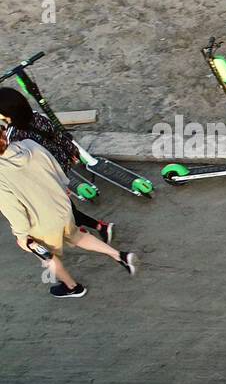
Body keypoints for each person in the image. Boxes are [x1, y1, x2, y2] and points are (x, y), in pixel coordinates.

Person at [0, 124, 137, 298]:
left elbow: (13, 209)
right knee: (76, 235)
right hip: (62, 206)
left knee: (47, 256)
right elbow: (57, 170)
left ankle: (72, 287)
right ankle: (119, 255)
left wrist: (21, 236)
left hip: (40, 223)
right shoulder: (29, 144)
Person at [0, 87, 113, 244]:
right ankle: (94, 227)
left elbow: (22, 164)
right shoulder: (36, 116)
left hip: (47, 173)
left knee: (63, 207)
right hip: (61, 161)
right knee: (65, 204)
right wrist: (71, 150)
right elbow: (57, 134)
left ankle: (99, 227)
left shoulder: (14, 136)